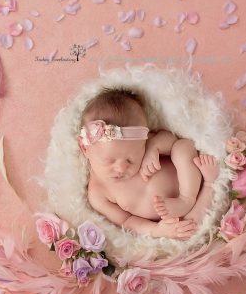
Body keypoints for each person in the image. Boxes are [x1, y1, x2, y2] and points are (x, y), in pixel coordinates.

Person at [77, 88, 219, 239]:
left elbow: (172, 139)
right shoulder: (98, 193)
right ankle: (209, 186)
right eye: (109, 160)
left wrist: (154, 147)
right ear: (84, 147)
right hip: (172, 218)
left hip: (190, 180)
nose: (121, 168)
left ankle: (189, 197)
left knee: (183, 146)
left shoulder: (140, 143)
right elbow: (127, 221)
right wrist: (156, 230)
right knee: (187, 229)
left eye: (131, 159)